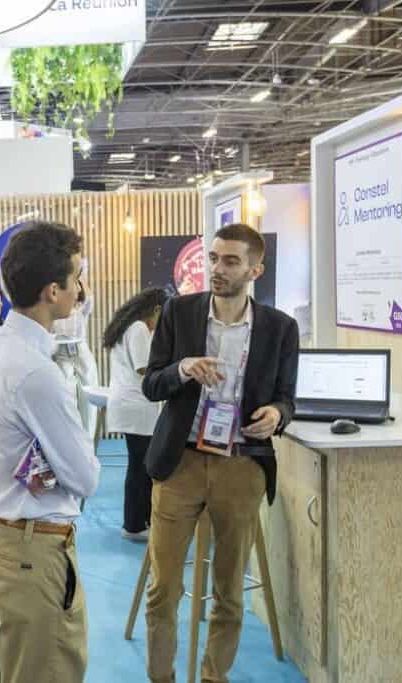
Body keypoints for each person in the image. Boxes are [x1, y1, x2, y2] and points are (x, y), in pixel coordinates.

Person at [142, 224, 299, 683]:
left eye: (231, 261)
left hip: (242, 464)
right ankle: (161, 677)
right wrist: (182, 368)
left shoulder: (280, 328)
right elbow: (151, 384)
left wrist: (277, 414)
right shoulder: (179, 313)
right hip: (180, 462)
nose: (218, 268)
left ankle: (215, 676)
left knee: (228, 591)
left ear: (255, 270)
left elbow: (288, 398)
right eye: (214, 258)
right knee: (163, 588)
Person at [0, 220, 100, 683]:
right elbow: (85, 478)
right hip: (33, 550)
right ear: (53, 291)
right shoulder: (35, 371)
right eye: (76, 277)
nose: (80, 289)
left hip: (8, 539)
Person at [101, 288, 169, 542]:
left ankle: (138, 522)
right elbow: (144, 368)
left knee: (139, 465)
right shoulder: (138, 329)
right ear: (157, 310)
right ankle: (134, 525)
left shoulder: (128, 328)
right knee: (141, 467)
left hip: (131, 406)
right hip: (136, 407)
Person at [53, 277, 99, 432]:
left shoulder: (82, 308)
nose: (77, 289)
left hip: (81, 352)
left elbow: (90, 297)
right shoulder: (56, 311)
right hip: (60, 354)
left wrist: (79, 277)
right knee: (65, 397)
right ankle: (69, 436)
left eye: (78, 287)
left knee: (89, 398)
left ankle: (89, 438)